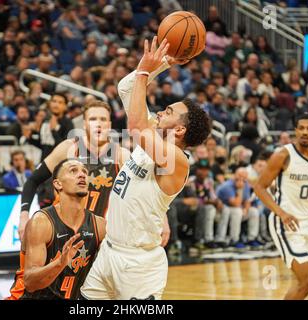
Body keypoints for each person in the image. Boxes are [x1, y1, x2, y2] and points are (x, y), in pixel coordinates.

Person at [80, 37, 211, 300]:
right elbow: (126, 87)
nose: (161, 111)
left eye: (169, 111)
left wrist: (144, 71)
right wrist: (163, 63)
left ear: (180, 129)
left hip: (139, 266)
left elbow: (136, 126)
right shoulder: (153, 138)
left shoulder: (177, 160)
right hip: (109, 252)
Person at [6, 100, 130, 300]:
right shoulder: (69, 148)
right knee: (31, 285)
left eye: (103, 119)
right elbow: (33, 181)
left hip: (92, 233)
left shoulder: (122, 156)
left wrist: (162, 222)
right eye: (93, 119)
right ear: (84, 124)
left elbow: (139, 194)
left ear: (110, 125)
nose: (98, 124)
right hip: (58, 227)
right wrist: (23, 215)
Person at [254, 114, 308, 300]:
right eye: (301, 128)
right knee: (307, 281)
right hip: (286, 223)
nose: (304, 132)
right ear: (295, 131)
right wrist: (281, 213)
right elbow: (259, 187)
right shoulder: (283, 155)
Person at [21, 159, 106, 299]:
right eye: (73, 171)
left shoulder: (100, 226)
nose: (82, 175)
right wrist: (60, 263)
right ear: (58, 184)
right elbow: (30, 282)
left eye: (84, 171)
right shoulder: (41, 223)